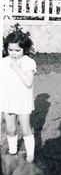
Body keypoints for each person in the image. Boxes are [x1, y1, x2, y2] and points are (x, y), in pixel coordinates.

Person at [2, 31, 36, 163]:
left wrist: (17, 68)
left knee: (26, 129)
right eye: (10, 50)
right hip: (8, 100)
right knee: (10, 129)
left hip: (22, 100)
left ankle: (30, 155)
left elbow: (28, 82)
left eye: (17, 50)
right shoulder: (3, 62)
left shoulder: (28, 62)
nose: (13, 53)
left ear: (24, 49)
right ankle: (12, 150)